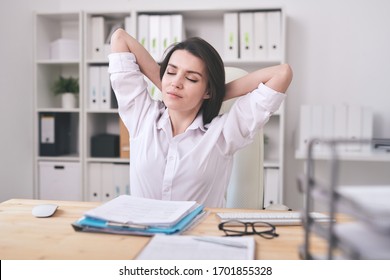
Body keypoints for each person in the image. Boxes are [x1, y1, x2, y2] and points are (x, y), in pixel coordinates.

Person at [108, 28, 292, 208]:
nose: (176, 82)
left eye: (192, 79)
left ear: (208, 90)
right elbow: (119, 38)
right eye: (171, 72)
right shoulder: (142, 116)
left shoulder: (223, 134)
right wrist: (167, 86)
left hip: (198, 236)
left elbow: (282, 74)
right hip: (143, 234)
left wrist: (216, 94)